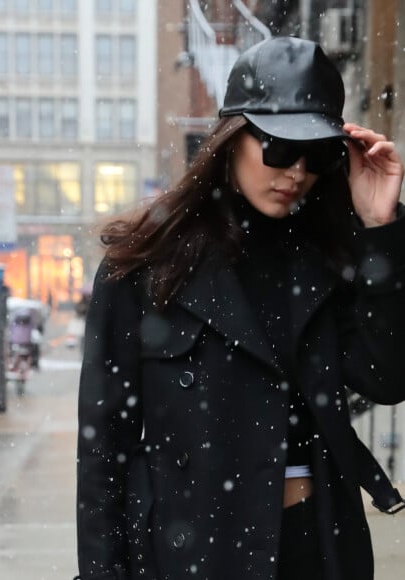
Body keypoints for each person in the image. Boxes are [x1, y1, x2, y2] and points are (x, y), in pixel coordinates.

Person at [74, 37, 405, 580]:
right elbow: (103, 450)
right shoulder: (142, 266)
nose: (296, 171)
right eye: (277, 147)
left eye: (316, 154)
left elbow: (386, 378)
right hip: (190, 552)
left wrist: (380, 228)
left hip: (316, 546)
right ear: (231, 139)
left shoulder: (331, 257)